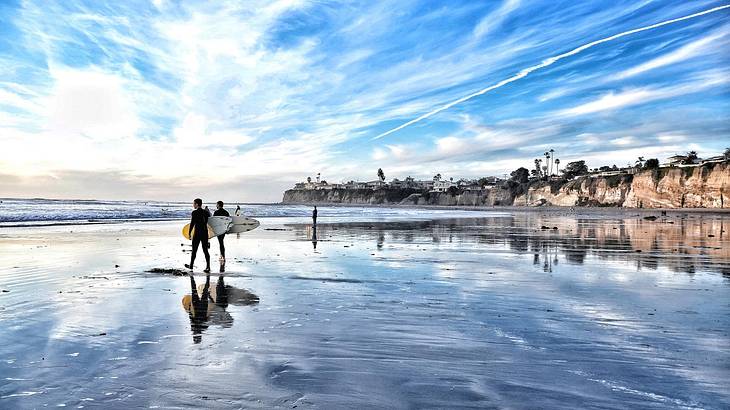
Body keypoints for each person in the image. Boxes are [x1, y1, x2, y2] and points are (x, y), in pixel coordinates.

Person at [185, 198, 211, 273]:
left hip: (197, 233)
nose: (193, 205)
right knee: (205, 250)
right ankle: (208, 266)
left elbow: (192, 223)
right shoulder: (206, 213)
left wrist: (189, 233)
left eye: (193, 203)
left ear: (196, 204)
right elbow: (208, 222)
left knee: (194, 250)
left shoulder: (194, 213)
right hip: (205, 233)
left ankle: (191, 265)